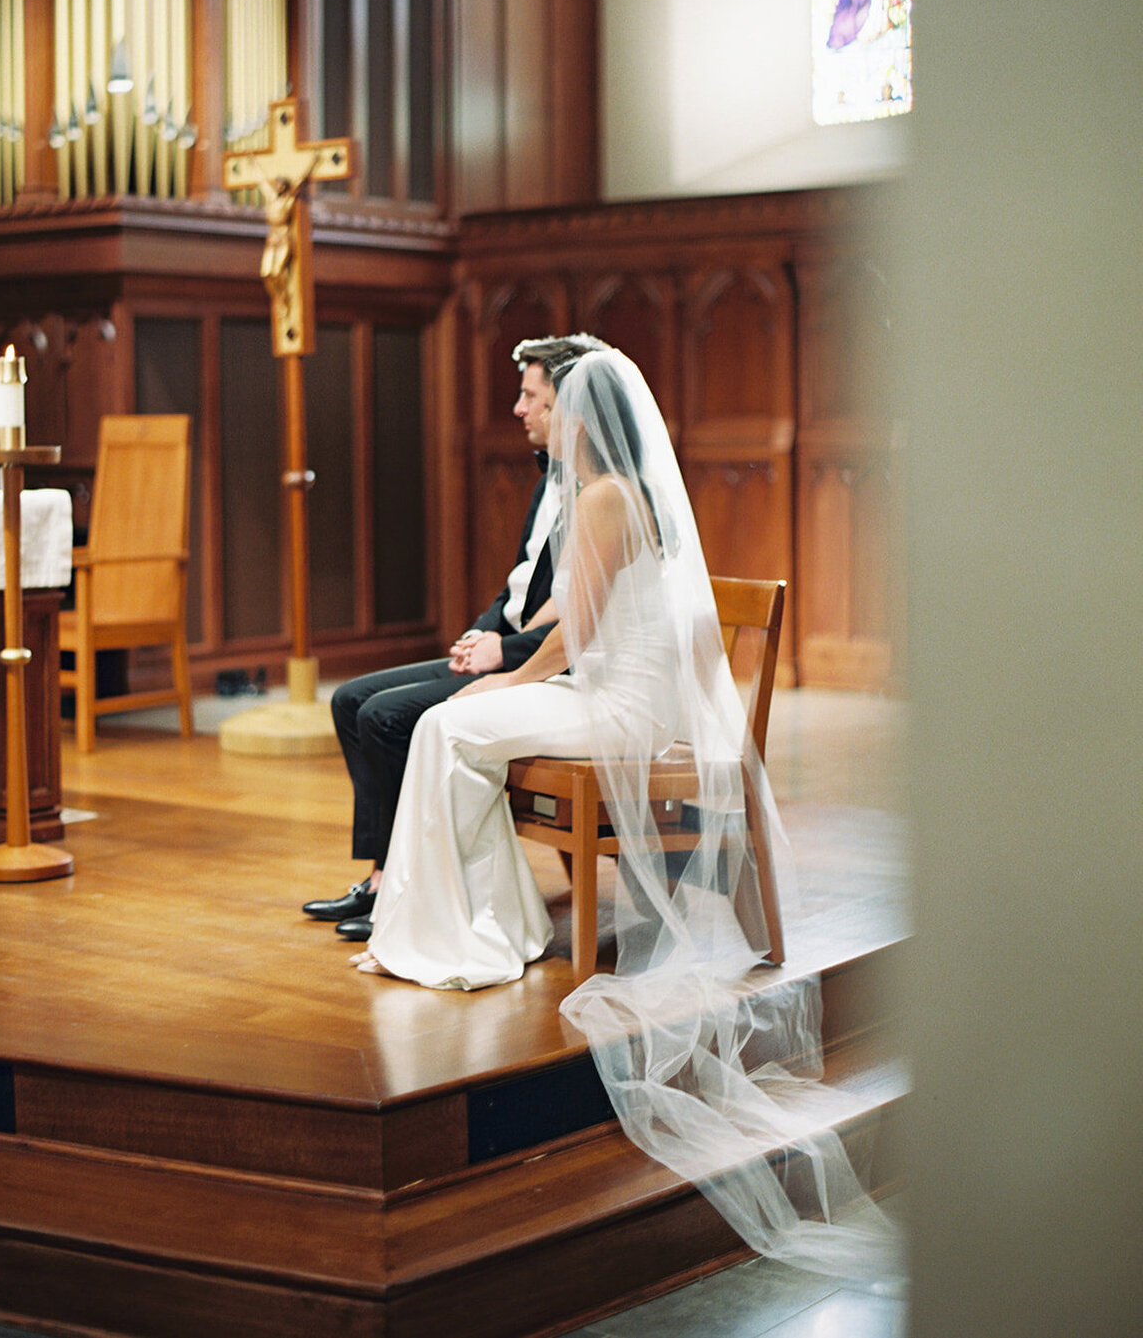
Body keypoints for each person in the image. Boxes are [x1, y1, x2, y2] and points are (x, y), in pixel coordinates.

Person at [350, 348, 903, 1287]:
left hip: (619, 710)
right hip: (612, 695)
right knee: (454, 736)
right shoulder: (609, 487)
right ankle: (493, 921)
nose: (539, 416)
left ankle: (470, 931)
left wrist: (501, 684)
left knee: (447, 730)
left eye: (548, 403)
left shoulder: (603, 498)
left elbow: (582, 633)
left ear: (581, 414)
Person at [301, 333, 607, 943]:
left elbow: (585, 617)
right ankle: (383, 871)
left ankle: (410, 888)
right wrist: (483, 629)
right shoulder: (551, 478)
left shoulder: (599, 494)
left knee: (387, 716)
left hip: (553, 668)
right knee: (348, 700)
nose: (518, 410)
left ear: (566, 406)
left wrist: (506, 654)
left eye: (530, 396)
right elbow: (521, 586)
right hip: (514, 646)